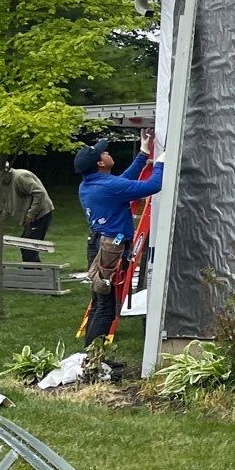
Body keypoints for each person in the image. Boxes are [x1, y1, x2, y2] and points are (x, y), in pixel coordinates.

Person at [77, 131, 164, 346]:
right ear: (100, 163)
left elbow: (124, 180)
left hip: (98, 243)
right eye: (103, 152)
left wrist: (143, 153)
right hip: (110, 249)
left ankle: (90, 356)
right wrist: (161, 162)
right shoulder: (107, 186)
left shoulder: (90, 184)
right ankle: (94, 360)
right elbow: (152, 186)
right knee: (107, 307)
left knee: (99, 301)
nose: (107, 152)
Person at [0, 162, 54, 263]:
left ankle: (32, 275)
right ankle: (35, 274)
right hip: (30, 217)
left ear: (5, 172)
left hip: (40, 214)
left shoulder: (20, 177)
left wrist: (31, 214)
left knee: (28, 248)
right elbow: (6, 208)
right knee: (27, 247)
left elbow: (39, 193)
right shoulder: (2, 185)